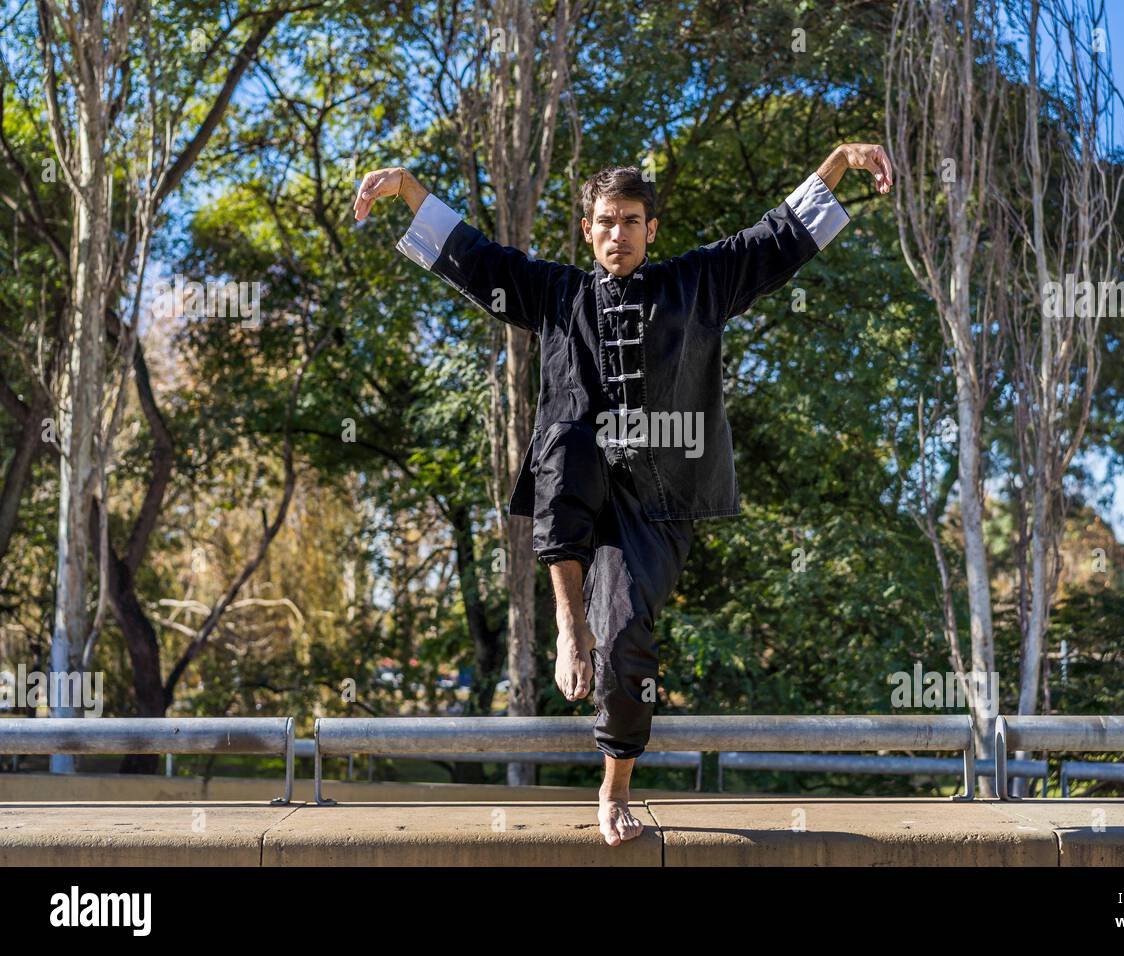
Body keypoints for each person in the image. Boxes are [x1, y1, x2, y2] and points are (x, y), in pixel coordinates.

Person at [352, 143, 893, 845]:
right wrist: (408, 188)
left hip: (657, 502)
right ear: (588, 229)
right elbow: (477, 258)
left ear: (650, 230)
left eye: (632, 221)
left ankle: (615, 787)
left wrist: (836, 164)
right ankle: (569, 624)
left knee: (629, 629)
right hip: (576, 494)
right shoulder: (557, 294)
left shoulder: (696, 284)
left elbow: (774, 240)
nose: (618, 233)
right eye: (606, 221)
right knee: (567, 441)